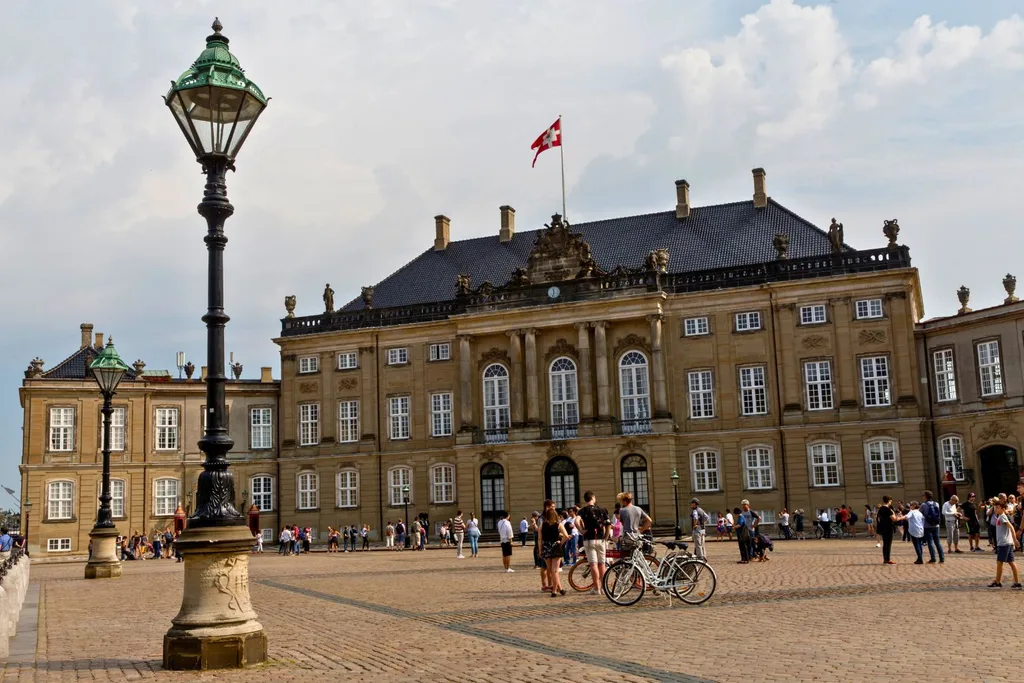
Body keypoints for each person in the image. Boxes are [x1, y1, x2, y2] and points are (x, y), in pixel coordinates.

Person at [577, 491, 609, 594]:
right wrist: (606, 536)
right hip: (600, 539)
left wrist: (582, 531)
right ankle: (604, 588)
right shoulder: (601, 510)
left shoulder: (583, 510)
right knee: (602, 564)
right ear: (593, 498)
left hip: (589, 539)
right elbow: (608, 524)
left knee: (593, 564)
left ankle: (596, 588)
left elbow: (576, 521)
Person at [540, 499, 570, 597]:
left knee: (551, 570)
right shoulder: (559, 524)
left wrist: (540, 550)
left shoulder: (542, 525)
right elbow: (566, 536)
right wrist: (560, 543)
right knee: (555, 571)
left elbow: (539, 539)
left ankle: (560, 589)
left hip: (546, 548)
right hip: (556, 548)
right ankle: (554, 591)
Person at [990, 500, 1022, 589]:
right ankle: (1016, 582)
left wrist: (1015, 540)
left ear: (1003, 509)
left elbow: (1011, 527)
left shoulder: (1003, 517)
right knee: (1011, 562)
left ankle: (998, 581)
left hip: (1004, 543)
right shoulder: (1000, 516)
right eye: (995, 508)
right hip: (1006, 543)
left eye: (998, 508)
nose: (996, 509)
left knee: (999, 562)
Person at [920, 490, 945, 564]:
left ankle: (933, 558)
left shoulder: (923, 505)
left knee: (930, 542)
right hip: (936, 525)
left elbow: (920, 514)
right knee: (937, 542)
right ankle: (942, 558)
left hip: (927, 526)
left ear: (925, 496)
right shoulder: (936, 504)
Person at [531, 511, 550, 593]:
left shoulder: (540, 519)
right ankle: (548, 585)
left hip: (541, 542)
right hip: (542, 542)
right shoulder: (541, 519)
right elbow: (539, 531)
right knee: (547, 567)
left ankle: (549, 585)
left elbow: (538, 530)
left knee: (546, 567)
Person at [876, 496, 897, 565]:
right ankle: (887, 559)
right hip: (888, 528)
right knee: (888, 544)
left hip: (883, 527)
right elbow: (894, 519)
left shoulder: (881, 508)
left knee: (885, 544)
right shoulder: (888, 509)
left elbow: (878, 519)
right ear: (889, 501)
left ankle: (885, 559)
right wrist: (893, 513)